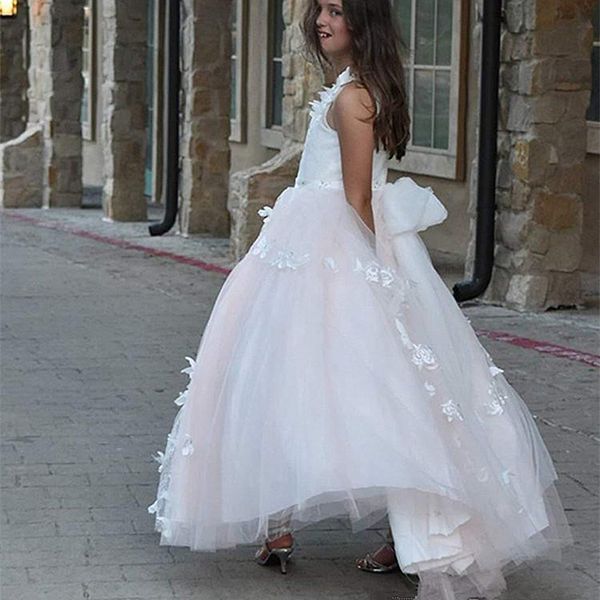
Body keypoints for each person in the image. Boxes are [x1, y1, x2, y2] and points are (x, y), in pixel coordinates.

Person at [148, 1, 573, 598]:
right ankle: (284, 523)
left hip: (332, 243)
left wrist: (380, 275)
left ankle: (387, 532)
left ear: (362, 24)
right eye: (320, 9)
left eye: (337, 11)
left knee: (349, 384)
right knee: (306, 377)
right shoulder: (349, 88)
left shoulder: (353, 98)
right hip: (306, 240)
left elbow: (355, 197)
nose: (323, 20)